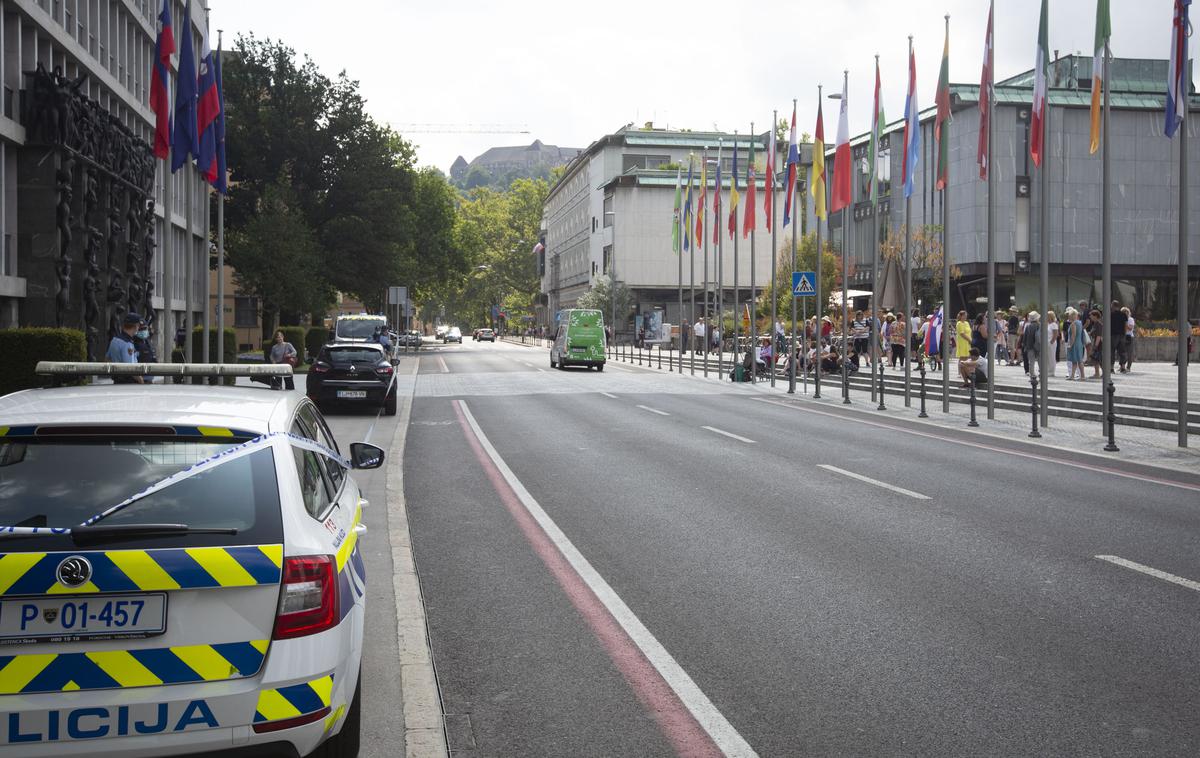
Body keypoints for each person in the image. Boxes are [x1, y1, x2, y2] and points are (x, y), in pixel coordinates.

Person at [106, 312, 145, 384]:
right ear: (135, 326)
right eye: (138, 325)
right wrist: (141, 381)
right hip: (128, 382)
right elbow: (131, 369)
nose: (138, 328)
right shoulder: (127, 344)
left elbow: (107, 358)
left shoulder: (114, 340)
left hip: (117, 380)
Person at [1065, 308, 1086, 380]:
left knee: (1079, 361)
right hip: (1079, 343)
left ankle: (1082, 376)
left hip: (1075, 344)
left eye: (1069, 315)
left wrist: (1070, 345)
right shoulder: (1079, 323)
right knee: (1075, 360)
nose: (1068, 317)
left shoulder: (1073, 324)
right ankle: (1072, 376)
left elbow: (1073, 335)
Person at [1109, 300, 1126, 371]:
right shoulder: (1123, 314)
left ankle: (1111, 367)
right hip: (1122, 335)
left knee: (1112, 351)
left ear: (1112, 306)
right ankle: (1123, 367)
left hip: (1113, 334)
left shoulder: (1110, 314)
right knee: (1122, 351)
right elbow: (1125, 325)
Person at [1023, 311, 1041, 376]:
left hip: (1030, 346)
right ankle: (1041, 374)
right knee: (1040, 361)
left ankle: (1032, 374)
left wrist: (1025, 345)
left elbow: (1025, 337)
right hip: (1039, 346)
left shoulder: (1028, 326)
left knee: (1031, 362)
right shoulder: (1040, 325)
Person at [1119, 306, 1135, 373]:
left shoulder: (1130, 319)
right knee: (1122, 352)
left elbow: (1130, 328)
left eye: (1126, 312)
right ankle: (1122, 366)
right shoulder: (1120, 319)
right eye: (1123, 312)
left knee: (1129, 353)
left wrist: (1125, 324)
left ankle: (1128, 367)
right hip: (1122, 336)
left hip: (1129, 336)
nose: (1125, 313)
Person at [1045, 310, 1060, 377]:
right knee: (1047, 357)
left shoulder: (1054, 324)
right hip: (1046, 342)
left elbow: (1055, 334)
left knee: (1051, 357)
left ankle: (1052, 371)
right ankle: (1048, 370)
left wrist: (1051, 342)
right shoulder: (1048, 324)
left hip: (1051, 343)